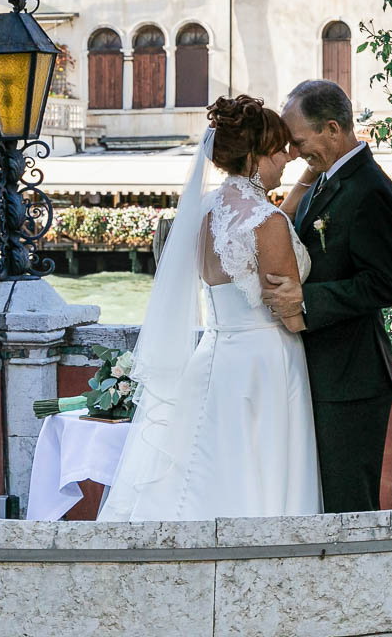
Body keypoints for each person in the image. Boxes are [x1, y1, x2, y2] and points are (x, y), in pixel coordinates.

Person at [98, 95, 322, 522]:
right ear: (256, 157)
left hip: (214, 357)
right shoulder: (267, 223)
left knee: (201, 467)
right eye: (278, 150)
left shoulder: (205, 212)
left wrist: (305, 180)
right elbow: (289, 314)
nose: (288, 158)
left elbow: (267, 223)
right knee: (262, 470)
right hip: (265, 363)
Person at [263, 80, 392, 513]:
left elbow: (386, 283)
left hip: (352, 378)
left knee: (348, 506)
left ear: (331, 129)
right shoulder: (327, 178)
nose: (293, 152)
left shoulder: (370, 190)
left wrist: (305, 301)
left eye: (299, 141)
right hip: (321, 371)